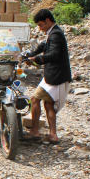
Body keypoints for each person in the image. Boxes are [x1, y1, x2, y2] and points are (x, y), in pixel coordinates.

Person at [21, 9, 72, 144]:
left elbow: (53, 54)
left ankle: (35, 131)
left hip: (55, 77)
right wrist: (31, 54)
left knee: (35, 99)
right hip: (55, 75)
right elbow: (44, 45)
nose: (40, 28)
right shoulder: (53, 32)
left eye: (41, 25)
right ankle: (52, 135)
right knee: (49, 104)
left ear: (48, 21)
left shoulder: (56, 34)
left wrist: (36, 59)